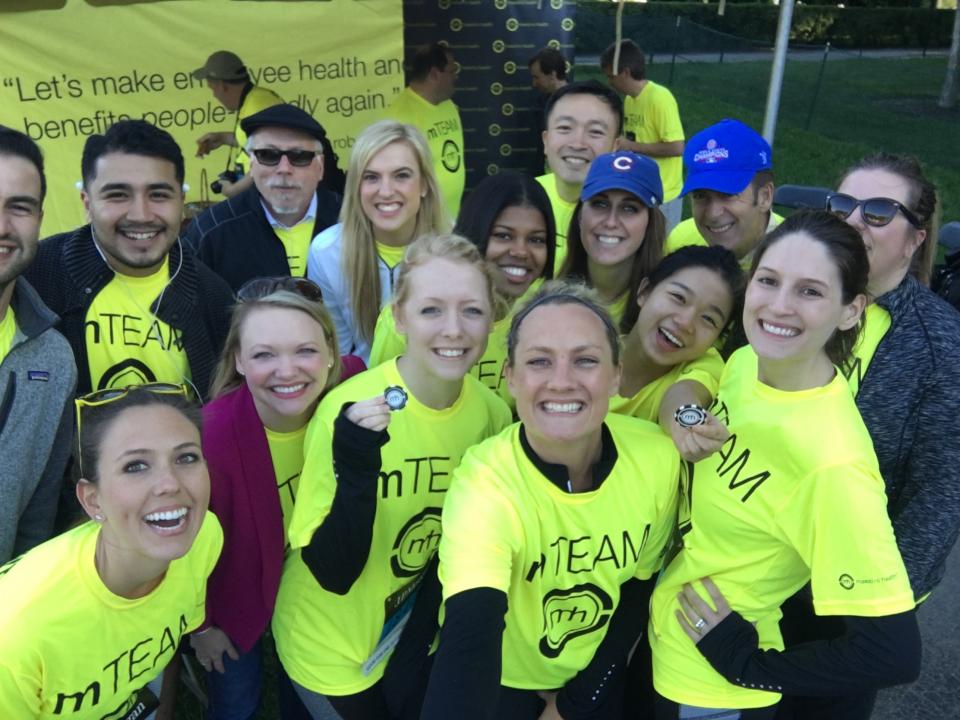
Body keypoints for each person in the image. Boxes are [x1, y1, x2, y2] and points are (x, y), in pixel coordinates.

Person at [648, 211, 920, 719]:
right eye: (769, 281)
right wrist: (686, 419)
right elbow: (691, 399)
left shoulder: (834, 463)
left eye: (810, 291)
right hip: (663, 642)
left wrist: (747, 664)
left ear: (851, 310)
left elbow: (893, 652)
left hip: (712, 693)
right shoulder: (747, 362)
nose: (778, 305)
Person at [274, 234, 512, 719]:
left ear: (492, 320)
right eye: (431, 310)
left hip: (408, 632)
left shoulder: (491, 413)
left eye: (472, 310)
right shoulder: (349, 411)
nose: (453, 329)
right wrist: (357, 466)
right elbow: (331, 572)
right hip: (329, 646)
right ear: (399, 317)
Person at [420, 281, 681, 720]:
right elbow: (471, 629)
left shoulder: (657, 457)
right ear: (510, 376)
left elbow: (638, 587)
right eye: (539, 361)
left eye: (585, 360)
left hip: (594, 679)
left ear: (616, 375)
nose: (562, 382)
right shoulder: (485, 482)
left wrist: (577, 702)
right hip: (501, 684)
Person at [775, 154, 960, 720]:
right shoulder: (789, 300)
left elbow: (939, 493)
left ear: (916, 239)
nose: (855, 221)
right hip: (757, 565)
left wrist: (875, 607)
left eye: (879, 212)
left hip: (845, 597)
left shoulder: (940, 343)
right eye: (843, 205)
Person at [0, 386, 223, 718]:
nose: (170, 483)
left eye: (186, 457)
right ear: (93, 500)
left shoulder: (204, 536)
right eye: (136, 466)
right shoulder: (16, 634)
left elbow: (162, 630)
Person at [187, 278, 346, 720]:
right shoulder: (211, 438)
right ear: (238, 360)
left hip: (312, 583)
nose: (287, 371)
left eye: (305, 351)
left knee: (308, 689)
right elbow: (184, 547)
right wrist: (201, 626)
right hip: (235, 591)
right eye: (264, 355)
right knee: (238, 700)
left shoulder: (348, 396)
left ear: (331, 353)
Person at [25, 120, 234, 399]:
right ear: (87, 203)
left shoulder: (214, 296)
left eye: (158, 195)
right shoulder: (33, 279)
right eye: (118, 195)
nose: (140, 215)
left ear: (181, 201)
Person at [369, 171, 556, 407]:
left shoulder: (540, 316)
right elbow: (380, 400)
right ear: (476, 232)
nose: (520, 251)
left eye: (536, 240)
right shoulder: (408, 319)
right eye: (503, 236)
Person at [307, 120, 447, 363]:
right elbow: (337, 354)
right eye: (371, 177)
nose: (386, 191)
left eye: (401, 176)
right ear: (356, 187)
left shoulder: (454, 252)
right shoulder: (327, 251)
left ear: (424, 184)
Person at [0, 127, 76, 563]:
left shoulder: (54, 360)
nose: (3, 226)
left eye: (20, 207)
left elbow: (36, 521)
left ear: (40, 219)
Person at [185, 104, 342, 291]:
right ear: (251, 165)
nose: (284, 169)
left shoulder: (353, 220)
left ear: (320, 167)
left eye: (299, 156)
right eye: (268, 155)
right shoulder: (209, 231)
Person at [613, 245, 743, 447]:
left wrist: (686, 425)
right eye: (679, 298)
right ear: (645, 292)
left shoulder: (708, 364)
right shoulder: (591, 346)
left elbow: (681, 395)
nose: (685, 323)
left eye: (708, 319)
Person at [559, 150, 664, 327]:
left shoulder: (664, 306)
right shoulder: (540, 283)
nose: (611, 222)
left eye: (629, 208)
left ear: (650, 223)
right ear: (580, 215)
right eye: (600, 204)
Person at [665, 119, 781, 263]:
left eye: (728, 194)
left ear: (765, 197)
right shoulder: (681, 242)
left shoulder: (798, 257)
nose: (713, 214)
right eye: (700, 196)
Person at [538, 81, 622, 272]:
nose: (577, 144)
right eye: (565, 128)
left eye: (595, 132)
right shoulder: (523, 200)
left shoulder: (630, 216)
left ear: (615, 147)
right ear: (546, 140)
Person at [601, 40, 685, 233]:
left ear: (625, 72)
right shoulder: (629, 100)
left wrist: (631, 146)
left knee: (663, 246)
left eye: (611, 76)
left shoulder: (659, 98)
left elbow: (677, 147)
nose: (609, 82)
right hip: (641, 188)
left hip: (665, 194)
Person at [384, 42, 464, 218]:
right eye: (452, 71)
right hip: (420, 220)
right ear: (435, 74)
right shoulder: (399, 116)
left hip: (451, 217)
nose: (456, 77)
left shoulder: (448, 105)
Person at [193, 50, 284, 198]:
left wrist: (234, 190)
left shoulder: (257, 108)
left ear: (223, 86)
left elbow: (270, 159)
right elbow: (254, 143)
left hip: (266, 195)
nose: (214, 95)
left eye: (212, 88)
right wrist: (222, 138)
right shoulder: (253, 99)